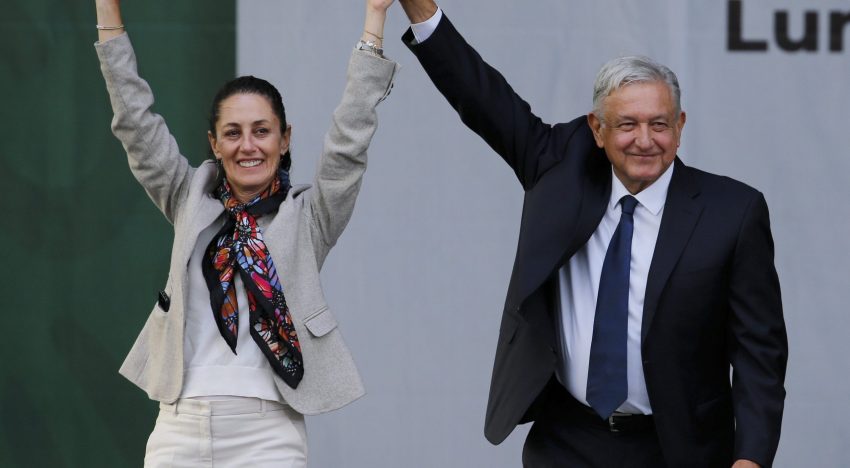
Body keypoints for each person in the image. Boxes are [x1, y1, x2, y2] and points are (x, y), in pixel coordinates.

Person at [396, 1, 787, 467]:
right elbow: (481, 95)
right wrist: (416, 5)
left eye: (659, 124)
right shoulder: (558, 167)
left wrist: (752, 460)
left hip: (678, 445)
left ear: (679, 128)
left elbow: (759, 355)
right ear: (597, 130)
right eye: (627, 124)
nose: (645, 140)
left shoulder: (734, 213)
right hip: (568, 438)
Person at [94, 0, 398, 465]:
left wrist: (374, 19)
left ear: (285, 138)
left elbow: (348, 141)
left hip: (268, 435)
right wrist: (107, 9)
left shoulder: (310, 216)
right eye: (232, 133)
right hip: (179, 426)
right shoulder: (187, 195)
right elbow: (135, 123)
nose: (248, 145)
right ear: (214, 143)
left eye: (262, 130)